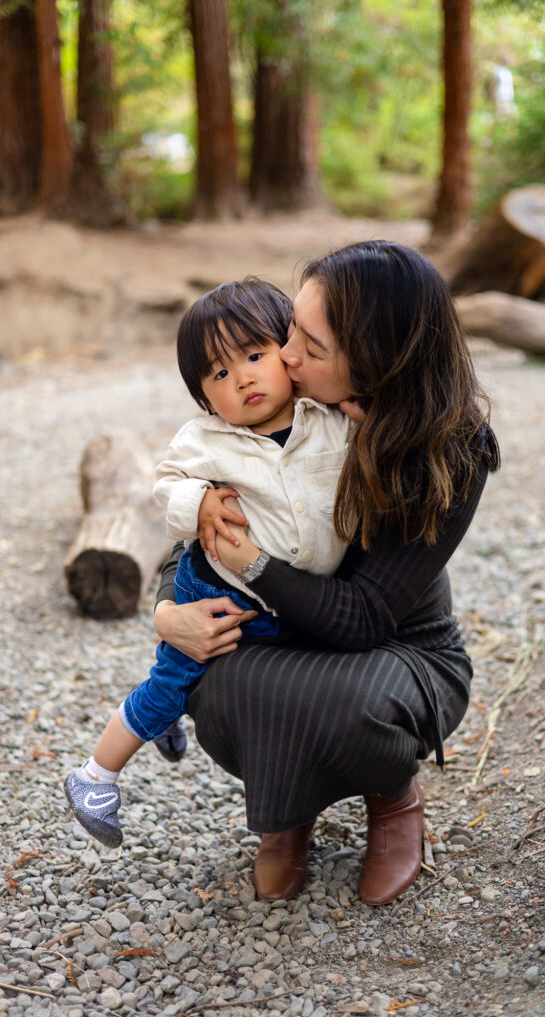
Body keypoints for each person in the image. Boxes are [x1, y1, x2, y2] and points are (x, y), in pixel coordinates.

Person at [153, 241, 500, 905]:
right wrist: (167, 613)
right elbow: (198, 527)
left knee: (353, 707)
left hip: (396, 648)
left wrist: (251, 562)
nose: (282, 357)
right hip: (281, 630)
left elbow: (364, 618)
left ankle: (392, 798)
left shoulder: (452, 449)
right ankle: (287, 810)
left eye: (308, 345)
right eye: (289, 332)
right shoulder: (283, 407)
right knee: (217, 690)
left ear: (371, 360)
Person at [64, 279, 349, 847]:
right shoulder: (205, 441)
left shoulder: (329, 418)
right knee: (173, 678)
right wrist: (199, 505)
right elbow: (165, 487)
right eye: (219, 373)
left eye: (254, 355)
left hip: (289, 596)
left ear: (289, 352)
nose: (241, 377)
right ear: (203, 395)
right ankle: (95, 775)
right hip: (217, 591)